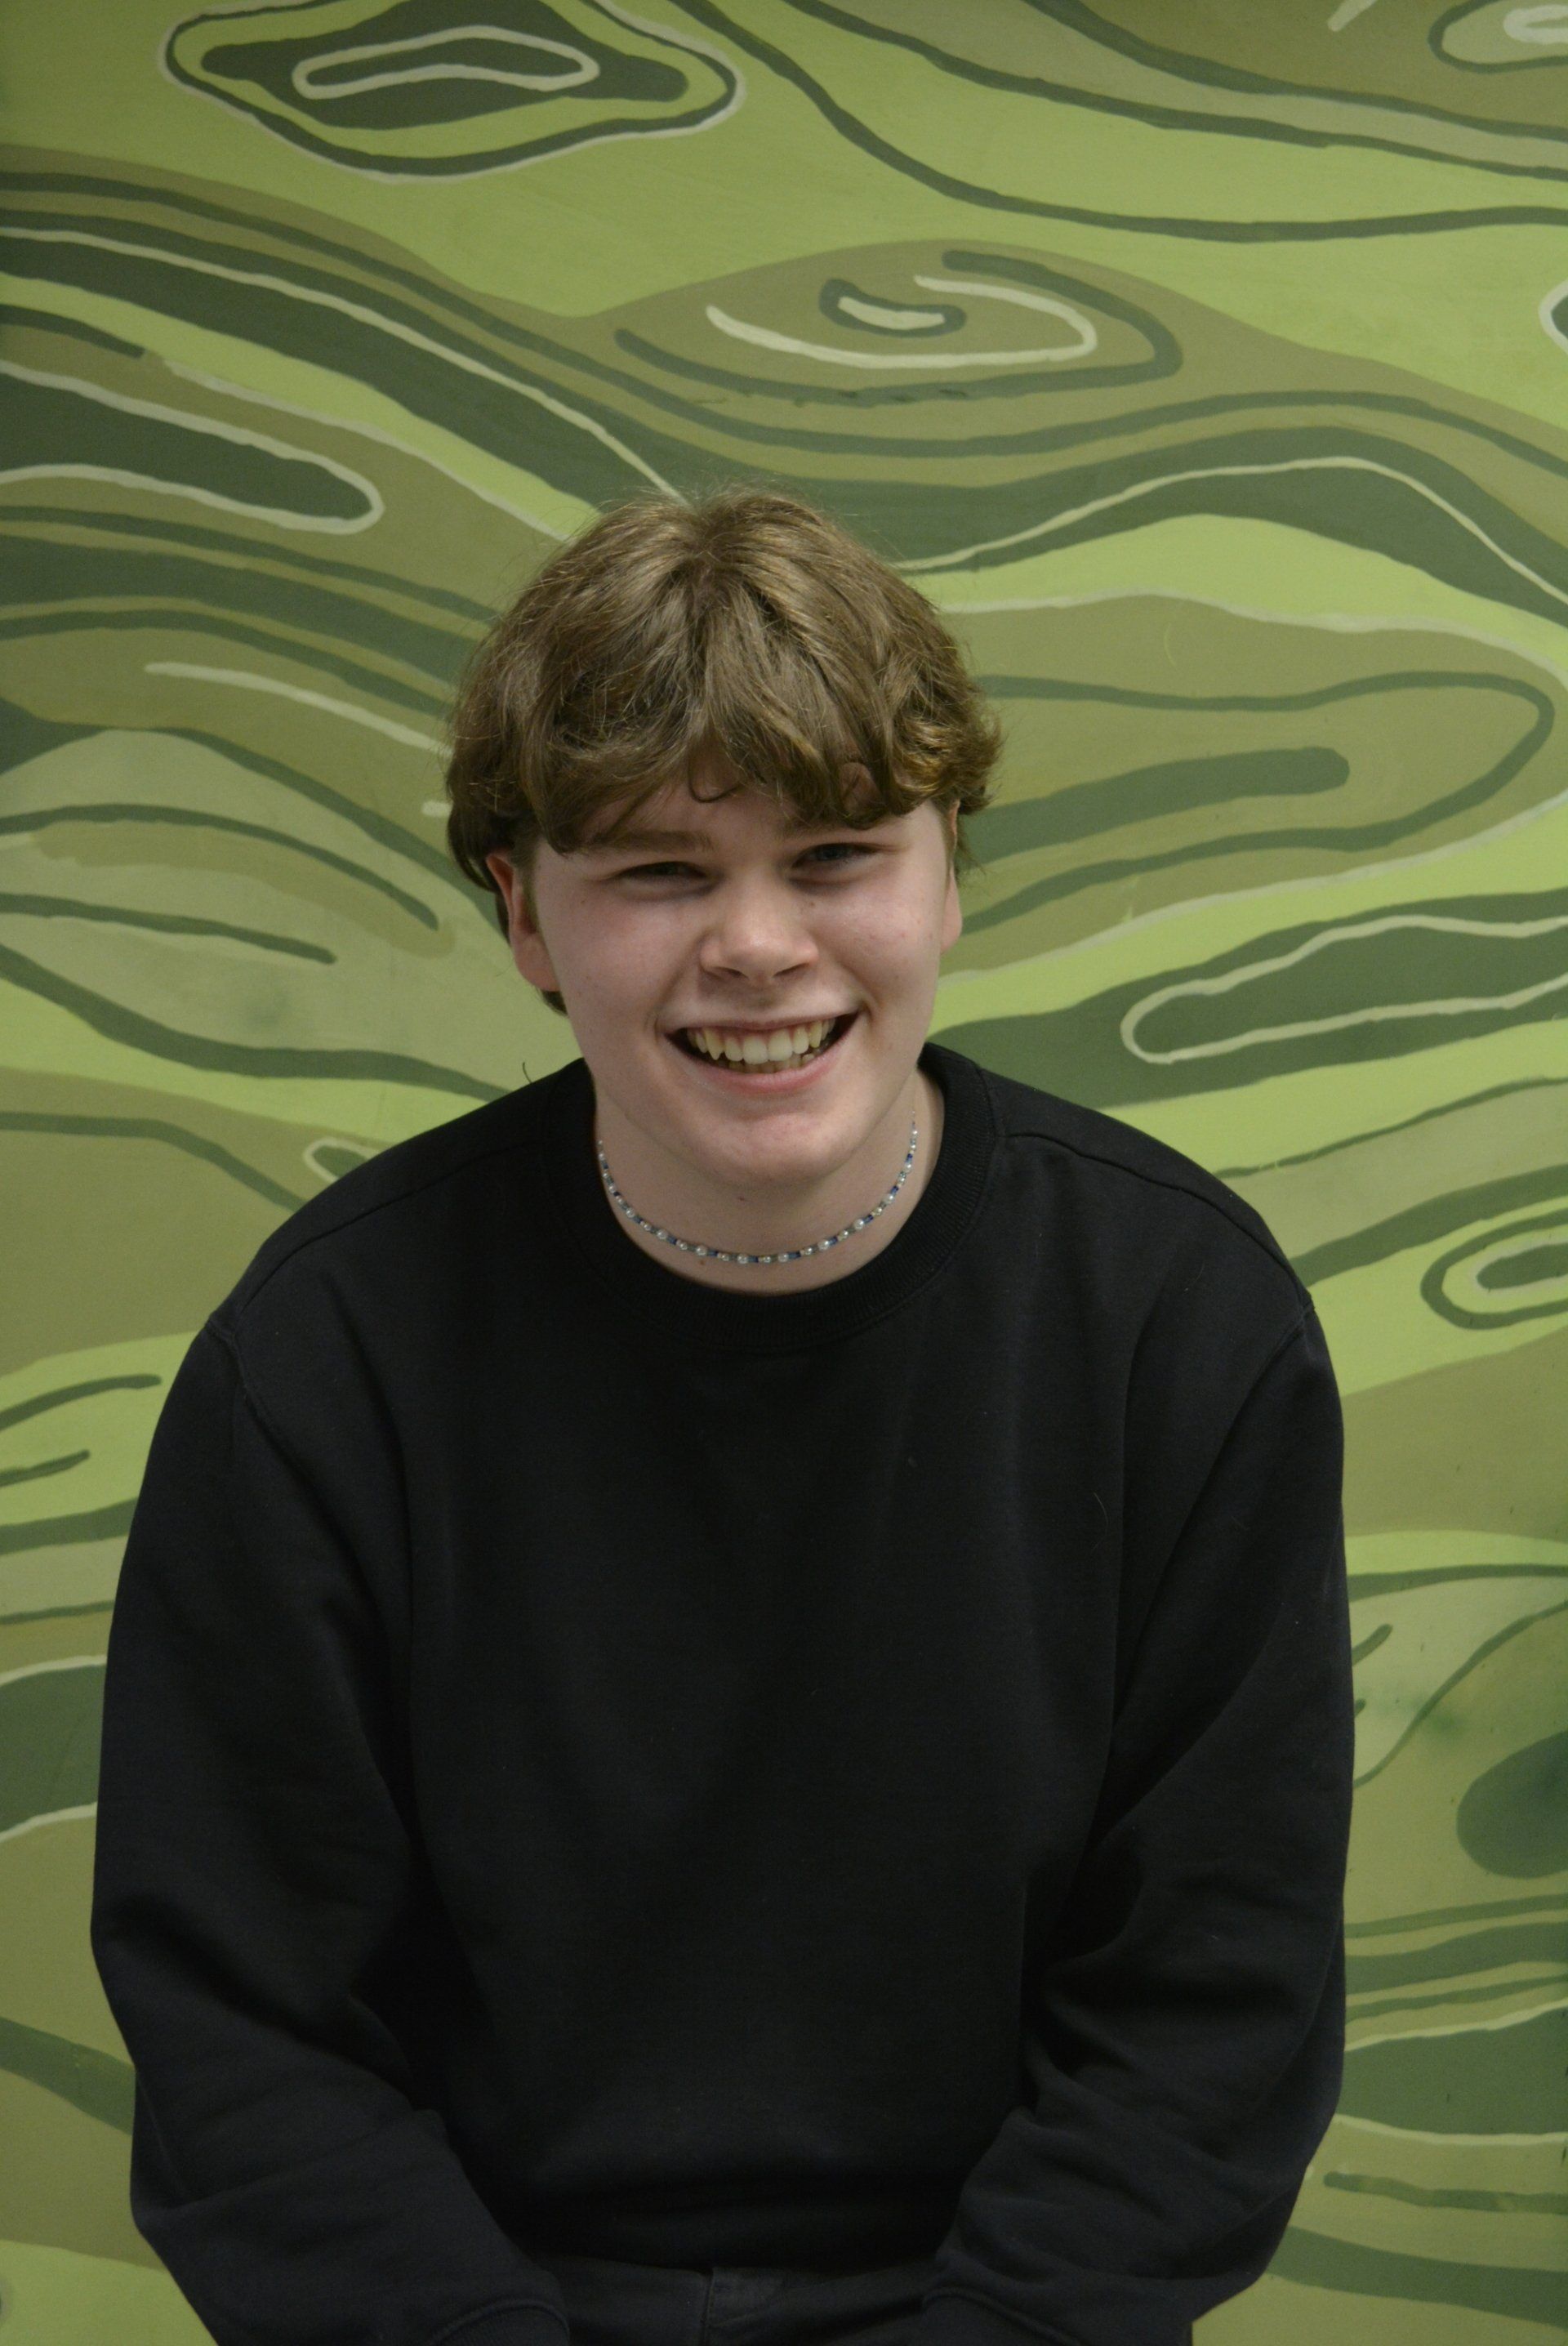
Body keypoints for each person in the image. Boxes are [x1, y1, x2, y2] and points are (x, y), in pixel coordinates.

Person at [90, 487, 1355, 2346]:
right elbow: (248, 2036)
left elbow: (1211, 2018)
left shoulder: (1185, 1324)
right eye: (661, 873)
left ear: (948, 874)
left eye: (836, 853)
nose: (758, 946)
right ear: (524, 913)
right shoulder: (322, 1360)